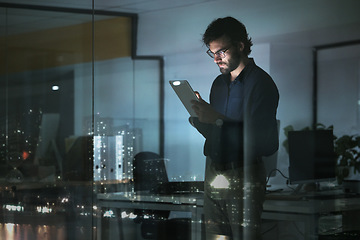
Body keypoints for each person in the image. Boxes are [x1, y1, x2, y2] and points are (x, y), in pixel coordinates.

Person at [189, 17, 279, 240]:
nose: (216, 59)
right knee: (215, 236)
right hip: (214, 171)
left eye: (221, 51)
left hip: (244, 172)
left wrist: (217, 119)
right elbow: (218, 134)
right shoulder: (219, 84)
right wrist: (203, 119)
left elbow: (264, 142)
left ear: (240, 46)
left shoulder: (261, 83)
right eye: (212, 53)